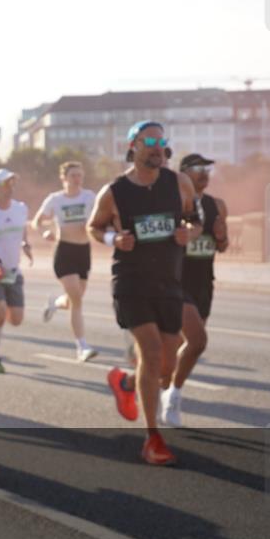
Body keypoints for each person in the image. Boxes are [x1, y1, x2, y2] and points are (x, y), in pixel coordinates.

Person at [88, 120, 200, 465]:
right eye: (149, 139)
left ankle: (127, 383)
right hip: (131, 281)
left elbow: (195, 220)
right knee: (151, 353)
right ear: (132, 145)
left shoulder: (179, 182)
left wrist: (190, 233)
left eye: (161, 139)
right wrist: (113, 239)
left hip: (169, 281)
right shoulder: (114, 191)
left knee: (166, 365)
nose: (157, 145)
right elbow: (95, 226)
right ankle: (153, 438)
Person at [162, 153, 228, 426]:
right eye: (198, 169)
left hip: (204, 284)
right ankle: (173, 396)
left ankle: (140, 381)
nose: (204, 173)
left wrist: (221, 236)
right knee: (197, 341)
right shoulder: (174, 203)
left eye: (207, 168)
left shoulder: (217, 205)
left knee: (177, 347)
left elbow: (221, 247)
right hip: (177, 283)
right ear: (184, 173)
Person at [33, 161, 98, 362]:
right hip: (64, 252)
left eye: (80, 175)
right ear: (64, 178)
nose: (77, 179)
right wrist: (44, 231)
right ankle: (82, 347)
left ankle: (55, 303)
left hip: (84, 252)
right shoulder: (55, 199)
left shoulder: (90, 197)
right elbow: (37, 221)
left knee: (73, 300)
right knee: (77, 300)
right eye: (73, 176)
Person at [0, 168, 32, 374]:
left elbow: (22, 230)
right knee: (1, 312)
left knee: (17, 319)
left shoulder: (21, 208)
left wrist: (26, 245)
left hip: (14, 271)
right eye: (5, 184)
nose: (10, 187)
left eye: (12, 183)